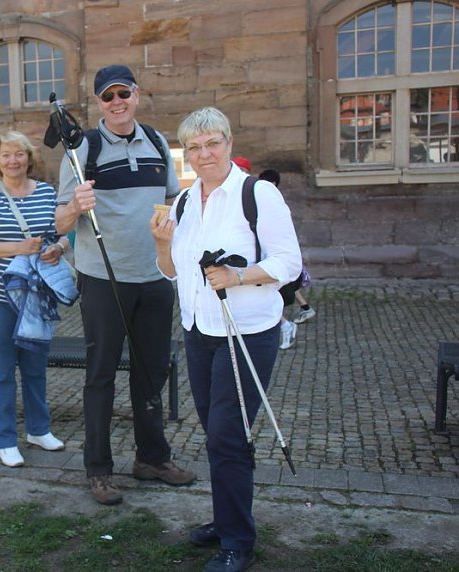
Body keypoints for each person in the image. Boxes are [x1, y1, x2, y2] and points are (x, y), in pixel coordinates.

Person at [152, 107, 301, 572]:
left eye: (211, 143)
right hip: (199, 331)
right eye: (193, 147)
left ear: (229, 143)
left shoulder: (258, 194)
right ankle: (225, 519)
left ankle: (238, 540)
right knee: (218, 435)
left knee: (228, 436)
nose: (203, 153)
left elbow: (288, 263)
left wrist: (238, 275)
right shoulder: (182, 202)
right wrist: (160, 243)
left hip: (247, 333)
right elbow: (172, 272)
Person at [55, 64, 196, 506]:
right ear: (98, 103)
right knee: (100, 376)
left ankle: (151, 458)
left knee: (151, 372)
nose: (116, 102)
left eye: (123, 93)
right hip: (103, 280)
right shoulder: (81, 150)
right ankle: (99, 469)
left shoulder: (157, 141)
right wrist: (76, 207)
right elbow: (58, 223)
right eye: (107, 96)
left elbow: (173, 198)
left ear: (137, 94)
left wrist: (172, 232)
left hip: (155, 275)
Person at [0, 131, 70, 468]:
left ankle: (39, 430)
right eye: (6, 155)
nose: (13, 161)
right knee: (1, 369)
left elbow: (61, 235)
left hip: (34, 293)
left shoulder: (46, 193)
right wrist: (17, 248)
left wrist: (58, 248)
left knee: (35, 365)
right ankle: (6, 439)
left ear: (29, 158)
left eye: (19, 154)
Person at [257, 169, 316, 330]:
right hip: (278, 254)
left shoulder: (271, 199)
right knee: (289, 285)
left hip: (276, 254)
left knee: (272, 289)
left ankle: (284, 324)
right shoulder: (268, 196)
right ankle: (304, 309)